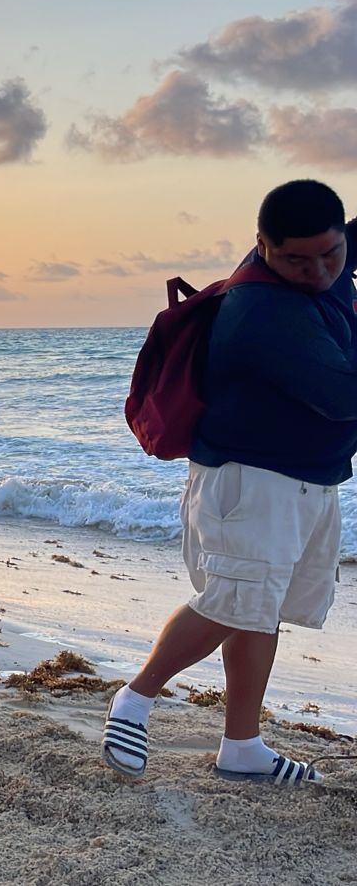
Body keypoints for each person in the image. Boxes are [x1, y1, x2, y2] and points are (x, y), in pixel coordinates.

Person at [103, 180, 357, 786]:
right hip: (252, 481)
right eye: (298, 259)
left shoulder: (319, 255)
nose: (319, 271)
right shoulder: (265, 313)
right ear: (262, 246)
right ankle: (134, 699)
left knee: (257, 612)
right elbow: (342, 396)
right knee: (233, 603)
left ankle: (241, 747)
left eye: (333, 254)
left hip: (307, 480)